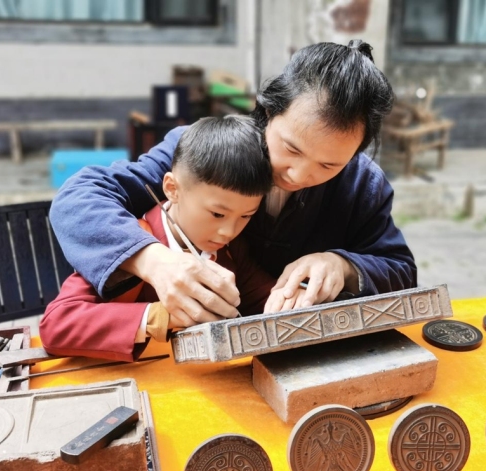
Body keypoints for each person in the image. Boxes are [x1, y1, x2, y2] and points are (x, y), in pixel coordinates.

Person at [49, 39, 417, 329]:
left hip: (291, 347)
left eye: (328, 164)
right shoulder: (206, 150)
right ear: (269, 110)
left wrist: (343, 265)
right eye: (290, 149)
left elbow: (401, 269)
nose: (299, 176)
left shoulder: (363, 184)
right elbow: (80, 197)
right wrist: (155, 262)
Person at [40, 115, 300, 361]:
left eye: (246, 216)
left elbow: (265, 297)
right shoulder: (132, 238)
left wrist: (295, 297)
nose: (228, 231)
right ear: (172, 189)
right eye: (218, 213)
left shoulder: (231, 249)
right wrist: (159, 316)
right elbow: (56, 324)